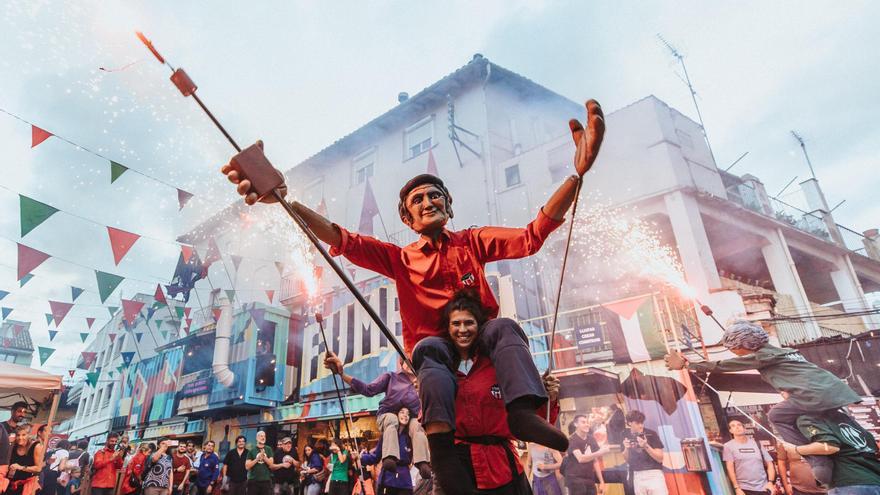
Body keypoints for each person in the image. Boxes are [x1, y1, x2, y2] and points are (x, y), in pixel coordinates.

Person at [223, 100, 605, 494]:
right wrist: (287, 202)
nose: (427, 202)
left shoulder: (473, 243)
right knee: (428, 349)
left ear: (448, 206)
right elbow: (342, 239)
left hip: (504, 463)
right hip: (446, 413)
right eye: (417, 200)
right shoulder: (401, 259)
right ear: (408, 219)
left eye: (434, 195)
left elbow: (531, 236)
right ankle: (440, 453)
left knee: (504, 326)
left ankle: (523, 413)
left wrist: (576, 176)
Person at [665, 320, 860, 486]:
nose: (732, 351)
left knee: (777, 415)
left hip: (813, 396)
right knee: (816, 420)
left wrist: (689, 364)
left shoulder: (763, 356)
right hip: (835, 393)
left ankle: (817, 459)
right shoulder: (787, 352)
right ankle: (835, 452)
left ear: (744, 344)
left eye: (732, 347)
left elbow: (725, 365)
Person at [440, 290, 561, 494]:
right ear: (448, 327)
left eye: (469, 323)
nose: (462, 329)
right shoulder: (440, 370)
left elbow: (534, 421)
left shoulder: (498, 364)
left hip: (505, 468)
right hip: (461, 471)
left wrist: (550, 397)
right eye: (456, 323)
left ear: (479, 327)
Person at [323, 353, 429, 478]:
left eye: (413, 361)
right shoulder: (391, 377)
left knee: (417, 424)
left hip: (408, 430)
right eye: (407, 361)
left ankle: (423, 463)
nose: (410, 364)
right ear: (402, 363)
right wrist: (342, 374)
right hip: (387, 417)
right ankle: (390, 457)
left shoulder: (423, 384)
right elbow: (368, 389)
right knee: (392, 419)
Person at [786, 409, 880, 495]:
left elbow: (829, 447)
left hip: (847, 481)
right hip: (872, 480)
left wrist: (796, 449)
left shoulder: (808, 418)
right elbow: (873, 446)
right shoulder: (845, 418)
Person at [360, 407, 416, 495]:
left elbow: (410, 459)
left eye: (408, 414)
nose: (405, 415)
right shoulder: (387, 433)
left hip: (405, 483)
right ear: (396, 415)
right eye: (402, 412)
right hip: (388, 480)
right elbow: (376, 455)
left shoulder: (409, 437)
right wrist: (361, 457)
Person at [723, 420, 777, 495]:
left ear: (744, 429)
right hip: (744, 489)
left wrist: (770, 482)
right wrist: (737, 488)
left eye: (739, 425)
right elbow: (730, 468)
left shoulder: (757, 444)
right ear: (731, 431)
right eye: (733, 426)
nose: (737, 427)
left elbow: (770, 463)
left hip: (763, 488)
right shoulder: (728, 446)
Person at [623, 410, 667, 495]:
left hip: (654, 474)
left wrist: (646, 446)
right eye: (637, 423)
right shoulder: (625, 435)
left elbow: (660, 458)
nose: (641, 426)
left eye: (642, 423)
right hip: (637, 475)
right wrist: (626, 448)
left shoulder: (651, 434)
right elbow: (627, 459)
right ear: (629, 423)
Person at [564, 415, 607, 495]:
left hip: (589, 479)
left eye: (587, 422)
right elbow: (581, 458)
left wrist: (602, 482)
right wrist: (600, 452)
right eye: (583, 422)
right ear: (576, 424)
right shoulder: (572, 440)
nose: (587, 424)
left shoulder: (591, 439)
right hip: (575, 480)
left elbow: (595, 461)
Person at [7, 425, 44, 495]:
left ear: (29, 435)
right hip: (12, 485)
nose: (20, 438)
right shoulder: (13, 446)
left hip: (28, 486)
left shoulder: (37, 446)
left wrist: (21, 467)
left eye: (24, 435)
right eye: (18, 435)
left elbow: (39, 468)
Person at [245, 431, 275, 495]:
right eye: (261, 436)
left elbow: (271, 464)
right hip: (253, 481)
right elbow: (247, 466)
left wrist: (264, 457)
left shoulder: (268, 449)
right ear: (257, 438)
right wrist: (257, 459)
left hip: (266, 481)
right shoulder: (252, 450)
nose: (263, 437)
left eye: (264, 436)